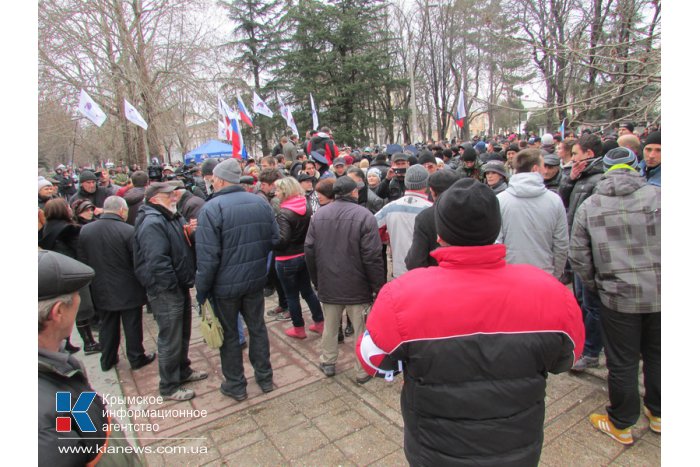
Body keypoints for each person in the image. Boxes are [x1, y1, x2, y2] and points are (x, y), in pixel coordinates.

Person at [357, 177, 584, 465]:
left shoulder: (401, 295)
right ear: (496, 229)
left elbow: (373, 361)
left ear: (439, 234)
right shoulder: (550, 291)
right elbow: (567, 359)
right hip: (516, 446)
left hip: (434, 449)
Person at [569, 147, 661, 445]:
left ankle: (621, 422)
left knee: (622, 362)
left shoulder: (591, 205)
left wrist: (597, 284)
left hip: (617, 296)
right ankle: (659, 413)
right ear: (635, 166)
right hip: (661, 292)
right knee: (659, 355)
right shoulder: (660, 197)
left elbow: (579, 256)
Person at [38, 250, 144, 466]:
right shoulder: (42, 426)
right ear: (58, 312)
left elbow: (86, 427)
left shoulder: (58, 366)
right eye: (78, 298)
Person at [195, 159, 279, 401]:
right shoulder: (259, 203)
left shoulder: (212, 208)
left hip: (225, 286)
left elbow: (208, 258)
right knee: (257, 328)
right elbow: (274, 237)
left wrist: (202, 291)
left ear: (220, 180)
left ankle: (236, 384)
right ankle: (264, 378)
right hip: (254, 280)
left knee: (230, 335)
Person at [305, 176, 385, 383]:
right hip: (357, 287)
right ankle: (362, 370)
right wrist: (378, 286)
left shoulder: (319, 216)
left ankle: (328, 361)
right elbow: (373, 256)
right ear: (354, 192)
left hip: (329, 283)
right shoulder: (365, 216)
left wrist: (317, 280)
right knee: (361, 331)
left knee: (330, 327)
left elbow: (310, 252)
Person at [133, 182, 207, 401]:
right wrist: (172, 284)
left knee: (182, 332)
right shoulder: (152, 222)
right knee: (170, 337)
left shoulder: (169, 216)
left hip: (178, 285)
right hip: (166, 290)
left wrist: (190, 232)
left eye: (174, 193)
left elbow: (179, 245)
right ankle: (169, 386)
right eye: (168, 195)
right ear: (155, 199)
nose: (174, 197)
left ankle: (183, 370)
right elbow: (157, 261)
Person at [78, 196, 155, 372]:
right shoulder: (128, 231)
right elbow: (137, 261)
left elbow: (83, 260)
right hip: (128, 287)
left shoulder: (86, 231)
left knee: (107, 325)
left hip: (100, 287)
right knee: (132, 324)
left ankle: (107, 359)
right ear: (121, 210)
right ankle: (136, 357)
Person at [558, 133, 606, 371]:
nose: (572, 158)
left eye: (575, 154)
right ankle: (582, 343)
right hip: (575, 244)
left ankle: (591, 350)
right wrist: (570, 180)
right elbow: (564, 201)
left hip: (588, 249)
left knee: (591, 303)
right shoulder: (580, 176)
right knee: (581, 300)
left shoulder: (599, 179)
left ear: (589, 154)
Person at [39, 198, 101, 355]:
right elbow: (78, 248)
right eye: (66, 207)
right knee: (81, 308)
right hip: (73, 270)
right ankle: (89, 342)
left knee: (65, 308)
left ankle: (66, 343)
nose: (69, 209)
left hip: (59, 271)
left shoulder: (48, 227)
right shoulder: (68, 230)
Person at [497, 149, 568, 280]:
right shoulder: (554, 200)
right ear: (535, 168)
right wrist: (556, 274)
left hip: (510, 274)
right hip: (544, 274)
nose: (545, 171)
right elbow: (561, 244)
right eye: (543, 166)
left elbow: (496, 242)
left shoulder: (501, 200)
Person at [272, 176, 325, 339]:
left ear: (286, 191)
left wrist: (268, 239)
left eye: (278, 189)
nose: (276, 192)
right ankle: (320, 323)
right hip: (304, 255)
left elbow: (283, 240)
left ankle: (298, 328)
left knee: (291, 296)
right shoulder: (305, 205)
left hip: (287, 259)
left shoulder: (283, 213)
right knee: (308, 291)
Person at [375, 164, 432, 278]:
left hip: (399, 271)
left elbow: (372, 227)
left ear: (406, 182)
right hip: (425, 273)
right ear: (426, 183)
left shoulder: (390, 207)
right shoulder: (432, 209)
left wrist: (388, 238)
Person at [404, 169, 460, 270]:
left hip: (437, 277)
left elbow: (415, 262)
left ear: (432, 191)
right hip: (471, 275)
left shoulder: (425, 217)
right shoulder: (470, 212)